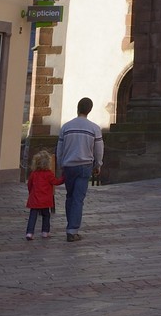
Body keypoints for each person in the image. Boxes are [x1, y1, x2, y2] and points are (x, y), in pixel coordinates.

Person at [56, 97, 104, 242]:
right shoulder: (94, 128)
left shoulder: (66, 127)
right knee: (78, 198)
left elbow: (60, 148)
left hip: (69, 165)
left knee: (70, 196)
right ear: (89, 110)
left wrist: (60, 164)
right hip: (84, 165)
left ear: (78, 108)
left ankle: (70, 225)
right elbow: (99, 149)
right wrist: (98, 164)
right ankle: (72, 230)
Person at [25, 149, 61, 239]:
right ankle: (45, 232)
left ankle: (29, 233)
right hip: (45, 200)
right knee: (46, 215)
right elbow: (55, 182)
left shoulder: (34, 174)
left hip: (35, 199)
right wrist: (64, 178)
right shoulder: (49, 174)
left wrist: (31, 193)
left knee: (33, 216)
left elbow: (29, 185)